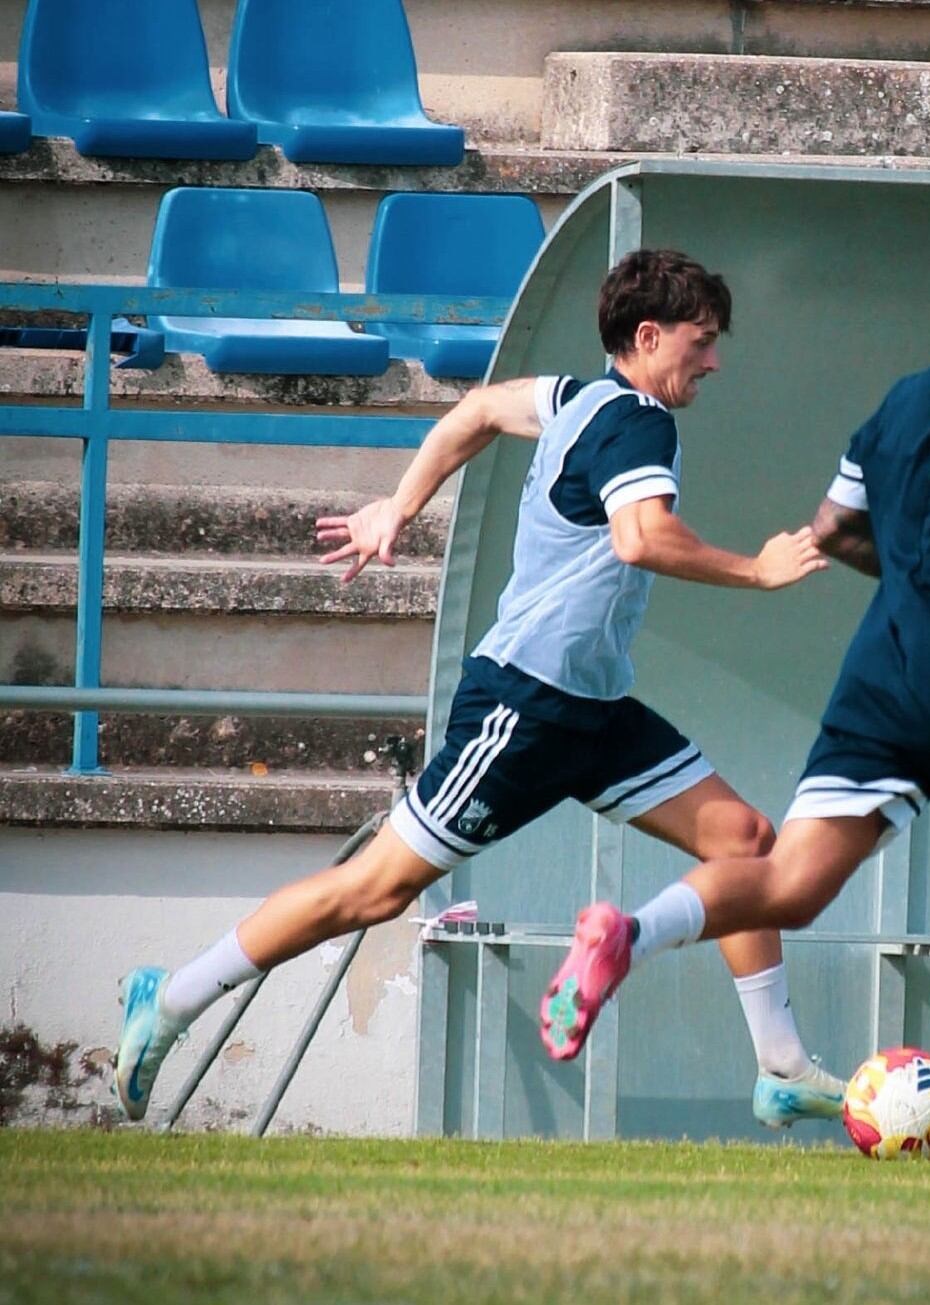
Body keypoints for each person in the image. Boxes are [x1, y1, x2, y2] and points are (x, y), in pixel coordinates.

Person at [112, 248, 846, 1132]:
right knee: (373, 890)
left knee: (743, 837)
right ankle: (173, 998)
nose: (714, 361)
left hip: (593, 711)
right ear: (649, 338)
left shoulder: (573, 397)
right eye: (703, 342)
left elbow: (479, 409)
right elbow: (642, 539)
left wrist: (399, 505)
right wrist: (757, 572)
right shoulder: (640, 420)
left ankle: (780, 1066)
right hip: (523, 710)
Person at [540, 212, 930, 1187]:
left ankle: (631, 930)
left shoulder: (900, 406)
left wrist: (911, 573)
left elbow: (832, 527)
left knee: (788, 883)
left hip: (880, 678)